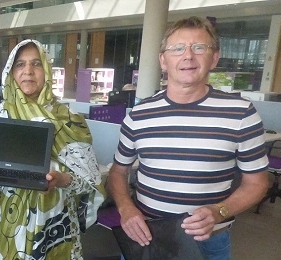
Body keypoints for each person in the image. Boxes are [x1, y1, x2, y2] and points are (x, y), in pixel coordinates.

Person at [107, 16, 269, 259]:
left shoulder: (241, 113)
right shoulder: (139, 115)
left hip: (207, 243)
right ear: (163, 60)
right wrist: (125, 207)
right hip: (147, 236)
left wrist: (220, 211)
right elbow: (118, 172)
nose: (188, 56)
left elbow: (257, 183)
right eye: (178, 48)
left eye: (199, 47)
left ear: (214, 58)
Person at [0, 39, 105, 259]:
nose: (28, 71)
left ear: (47, 70)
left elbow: (89, 181)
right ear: (11, 72)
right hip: (4, 221)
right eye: (20, 64)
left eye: (36, 64)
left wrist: (62, 180)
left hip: (54, 224)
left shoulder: (71, 121)